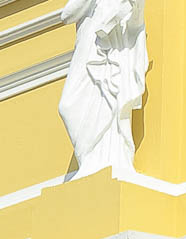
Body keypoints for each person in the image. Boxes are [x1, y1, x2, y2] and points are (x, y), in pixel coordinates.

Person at [58, 0, 148, 178]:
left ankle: (105, 160)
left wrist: (136, 9)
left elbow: (135, 28)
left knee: (109, 100)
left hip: (114, 58)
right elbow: (67, 15)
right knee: (67, 106)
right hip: (88, 49)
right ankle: (89, 158)